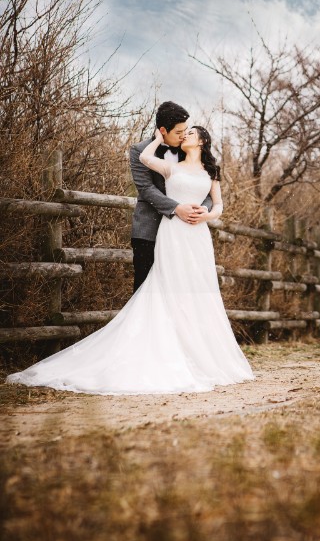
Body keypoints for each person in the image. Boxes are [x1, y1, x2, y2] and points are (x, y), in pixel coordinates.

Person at [7, 124, 254, 394]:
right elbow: (145, 159)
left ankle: (201, 353)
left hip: (198, 236)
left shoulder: (211, 172)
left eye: (191, 134)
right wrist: (158, 138)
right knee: (169, 284)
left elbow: (218, 205)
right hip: (172, 233)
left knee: (199, 290)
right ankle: (170, 349)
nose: (185, 136)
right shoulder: (172, 167)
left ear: (203, 141)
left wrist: (206, 216)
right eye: (184, 133)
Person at [130, 100, 212, 292]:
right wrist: (176, 208)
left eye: (186, 130)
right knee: (145, 290)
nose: (184, 136)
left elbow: (205, 187)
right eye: (179, 132)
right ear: (163, 130)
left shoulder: (188, 150)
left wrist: (203, 209)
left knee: (180, 289)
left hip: (184, 234)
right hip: (148, 231)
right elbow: (146, 188)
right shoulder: (139, 150)